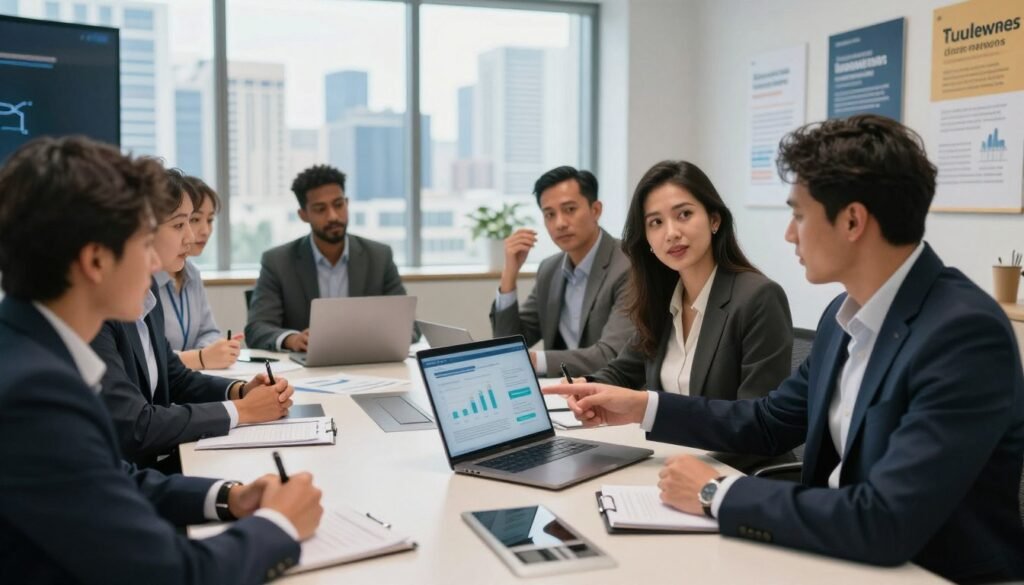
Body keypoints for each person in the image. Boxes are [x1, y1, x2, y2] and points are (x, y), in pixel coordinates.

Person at [544, 115, 1024, 583]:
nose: (789, 234)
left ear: (853, 220)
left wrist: (717, 493)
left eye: (798, 214)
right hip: (833, 553)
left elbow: (886, 521)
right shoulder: (845, 315)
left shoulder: (962, 335)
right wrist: (642, 405)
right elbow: (768, 421)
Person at [0, 136, 322, 583]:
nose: (157, 261)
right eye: (143, 244)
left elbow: (114, 480)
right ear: (95, 260)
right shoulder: (33, 395)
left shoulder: (31, 349)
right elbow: (174, 575)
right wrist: (278, 526)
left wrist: (233, 497)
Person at [578, 160, 794, 472]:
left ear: (714, 219)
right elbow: (623, 372)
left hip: (737, 477)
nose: (672, 233)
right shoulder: (663, 299)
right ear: (647, 240)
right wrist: (588, 392)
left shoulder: (758, 298)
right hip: (671, 468)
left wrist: (649, 414)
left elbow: (757, 425)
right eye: (655, 223)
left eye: (684, 214)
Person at [93, 168, 294, 470]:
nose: (192, 236)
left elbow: (175, 377)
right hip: (128, 477)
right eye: (179, 224)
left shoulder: (148, 296)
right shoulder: (100, 311)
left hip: (149, 469)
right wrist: (242, 410)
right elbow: (135, 426)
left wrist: (240, 391)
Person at [246, 164, 410, 351]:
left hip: (367, 362)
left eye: (338, 205)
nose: (333, 216)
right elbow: (256, 328)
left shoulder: (379, 257)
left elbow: (408, 326)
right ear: (303, 215)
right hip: (305, 368)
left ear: (347, 203)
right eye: (320, 209)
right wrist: (292, 339)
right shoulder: (278, 261)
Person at [490, 166, 632, 376]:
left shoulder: (628, 265)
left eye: (570, 209)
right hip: (562, 392)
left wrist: (534, 360)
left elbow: (611, 355)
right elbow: (509, 344)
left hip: (612, 392)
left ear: (596, 210)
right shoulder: (550, 269)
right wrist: (509, 274)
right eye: (549, 214)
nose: (560, 223)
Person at [156, 175, 243, 370]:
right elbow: (149, 356)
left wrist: (212, 353)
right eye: (194, 219)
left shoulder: (192, 273)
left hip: (187, 381)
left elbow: (209, 332)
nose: (203, 231)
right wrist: (201, 357)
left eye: (210, 220)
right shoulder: (144, 280)